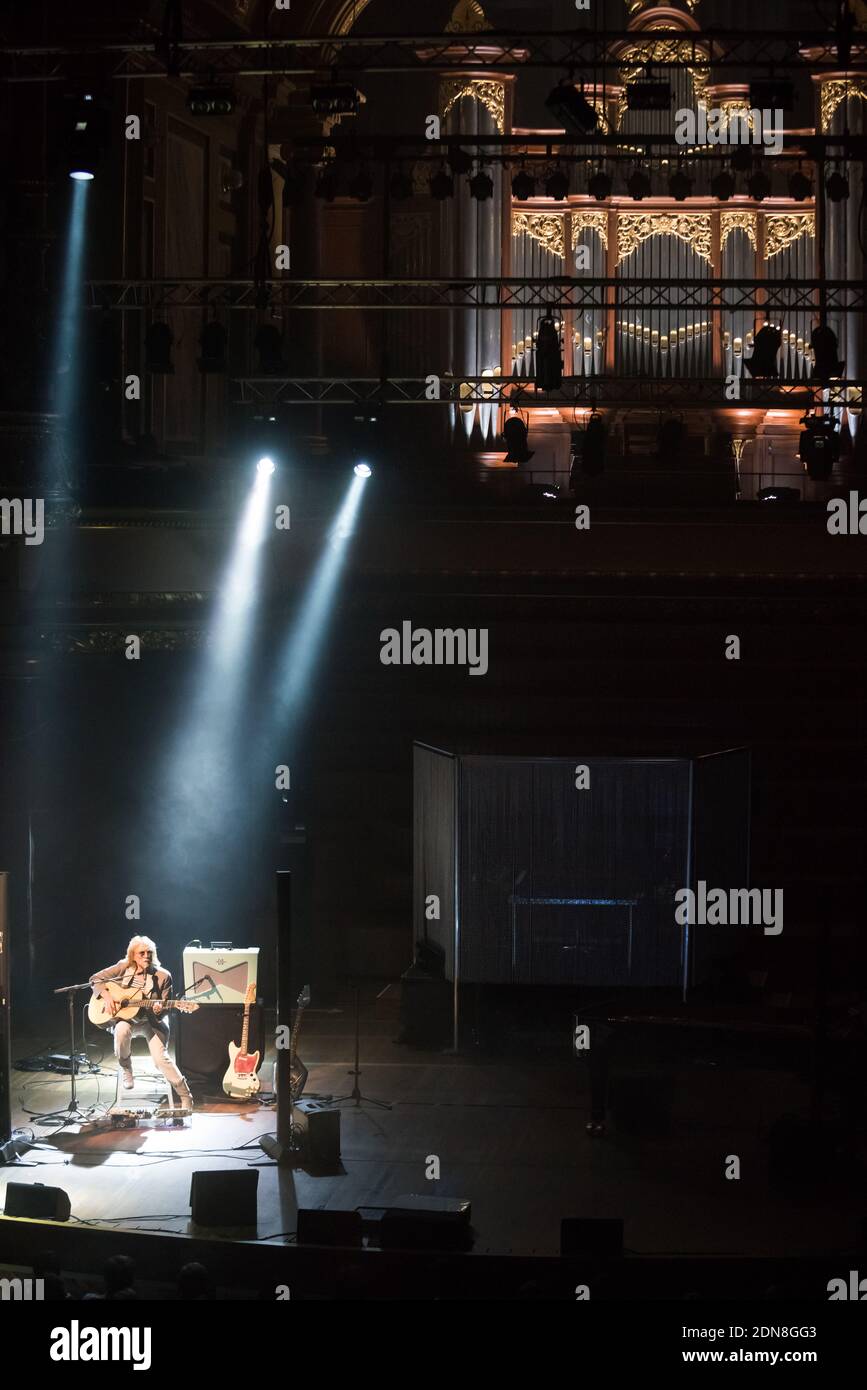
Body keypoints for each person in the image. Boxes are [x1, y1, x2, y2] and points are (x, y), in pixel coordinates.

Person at [90, 935, 193, 1110]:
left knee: (161, 1059)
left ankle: (186, 1096)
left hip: (152, 1022)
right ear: (132, 955)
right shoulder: (123, 968)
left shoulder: (163, 976)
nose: (146, 956)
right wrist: (106, 996)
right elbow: (95, 978)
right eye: (141, 953)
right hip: (127, 1019)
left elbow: (166, 1007)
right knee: (121, 1030)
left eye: (149, 952)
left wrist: (161, 1009)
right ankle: (127, 1068)